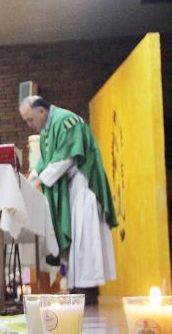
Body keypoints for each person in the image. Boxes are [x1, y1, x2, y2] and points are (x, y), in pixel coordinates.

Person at [19, 96, 117, 305]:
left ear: (42, 111)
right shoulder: (49, 129)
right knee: (76, 236)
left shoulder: (66, 121)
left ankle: (87, 289)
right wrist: (28, 184)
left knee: (85, 236)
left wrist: (37, 183)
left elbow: (66, 158)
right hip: (70, 187)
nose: (30, 126)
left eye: (30, 120)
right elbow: (45, 162)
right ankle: (77, 286)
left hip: (84, 183)